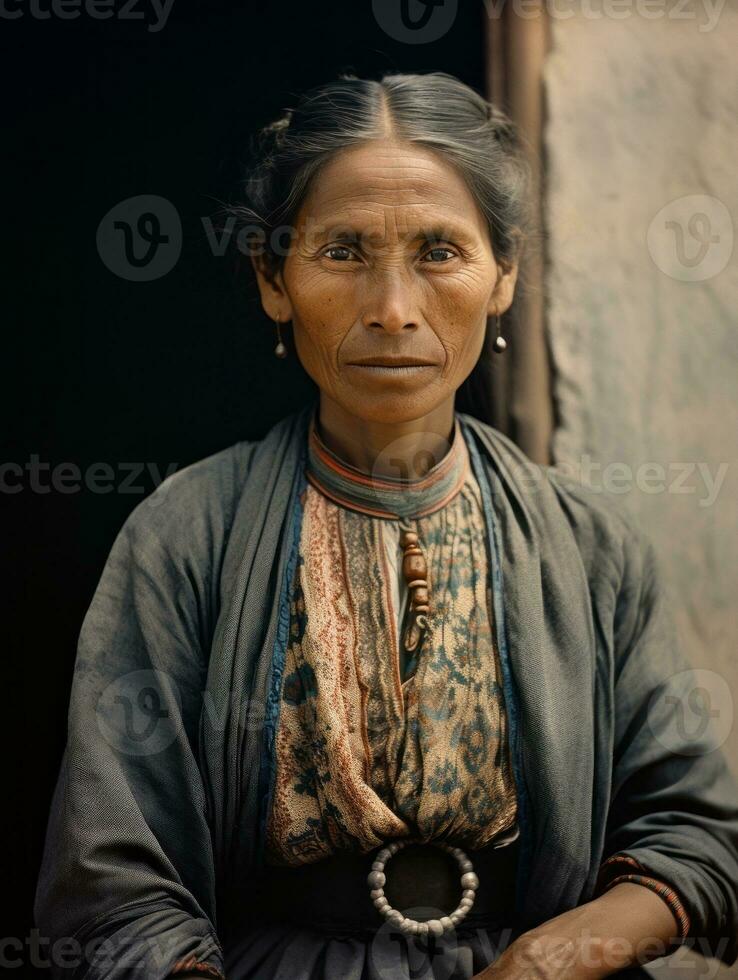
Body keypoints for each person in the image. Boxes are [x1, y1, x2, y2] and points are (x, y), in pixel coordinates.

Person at [35, 71, 738, 980]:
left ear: (506, 274)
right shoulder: (186, 535)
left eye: (441, 251)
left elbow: (698, 838)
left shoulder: (590, 546)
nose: (393, 309)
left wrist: (550, 961)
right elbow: (111, 886)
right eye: (342, 252)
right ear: (271, 279)